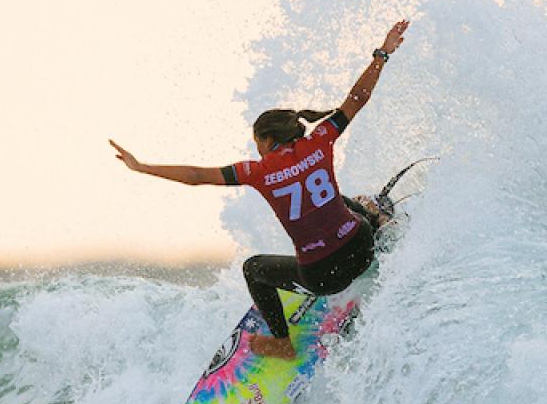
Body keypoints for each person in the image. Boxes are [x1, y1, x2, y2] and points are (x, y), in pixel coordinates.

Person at [109, 19, 410, 359]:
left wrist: (142, 166)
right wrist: (382, 52)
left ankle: (281, 343)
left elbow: (195, 175)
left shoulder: (258, 171)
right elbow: (358, 98)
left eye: (257, 143)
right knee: (339, 200)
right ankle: (380, 220)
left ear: (268, 141)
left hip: (323, 278)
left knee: (253, 268)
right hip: (363, 248)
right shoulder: (321, 140)